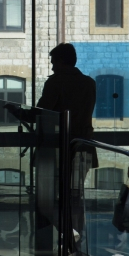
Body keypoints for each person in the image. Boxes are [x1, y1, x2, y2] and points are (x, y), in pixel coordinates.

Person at [37, 42, 97, 241]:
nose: (52, 66)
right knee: (75, 194)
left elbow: (41, 112)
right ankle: (77, 236)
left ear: (62, 61)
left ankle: (67, 233)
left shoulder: (55, 83)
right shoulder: (89, 83)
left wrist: (17, 112)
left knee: (51, 198)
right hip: (84, 147)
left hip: (60, 149)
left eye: (54, 62)